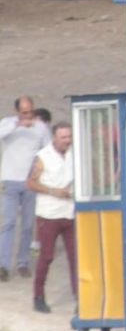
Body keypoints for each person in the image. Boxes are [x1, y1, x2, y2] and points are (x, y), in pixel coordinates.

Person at [25, 122, 74, 312]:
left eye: (69, 137)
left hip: (69, 212)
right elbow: (30, 182)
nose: (67, 141)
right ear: (54, 137)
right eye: (63, 137)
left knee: (75, 257)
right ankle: (38, 296)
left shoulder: (74, 154)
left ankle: (79, 296)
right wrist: (53, 191)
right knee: (46, 256)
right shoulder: (43, 156)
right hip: (48, 214)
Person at [0, 95, 50, 281]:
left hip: (30, 182)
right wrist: (17, 124)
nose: (27, 116)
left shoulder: (40, 127)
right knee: (8, 223)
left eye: (30, 112)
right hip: (10, 179)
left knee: (28, 225)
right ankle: (3, 265)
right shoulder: (8, 123)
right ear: (17, 111)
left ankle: (22, 262)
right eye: (23, 112)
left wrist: (40, 171)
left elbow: (48, 150)